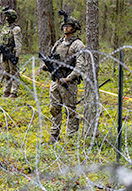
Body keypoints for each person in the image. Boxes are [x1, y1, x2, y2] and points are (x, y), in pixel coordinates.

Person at [42, 11, 87, 144]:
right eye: (64, 25)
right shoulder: (58, 43)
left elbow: (81, 64)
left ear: (74, 28)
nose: (66, 28)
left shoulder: (78, 44)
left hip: (68, 82)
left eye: (69, 25)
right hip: (56, 80)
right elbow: (51, 57)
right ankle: (54, 135)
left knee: (70, 110)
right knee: (54, 108)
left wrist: (69, 77)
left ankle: (71, 137)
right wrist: (46, 66)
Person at [0, 7, 22, 99]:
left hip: (12, 53)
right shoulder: (5, 28)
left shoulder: (16, 29)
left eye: (8, 16)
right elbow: (1, 39)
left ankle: (14, 91)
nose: (6, 18)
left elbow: (18, 43)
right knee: (6, 72)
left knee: (14, 72)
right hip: (4, 53)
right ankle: (7, 90)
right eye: (6, 16)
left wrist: (17, 55)